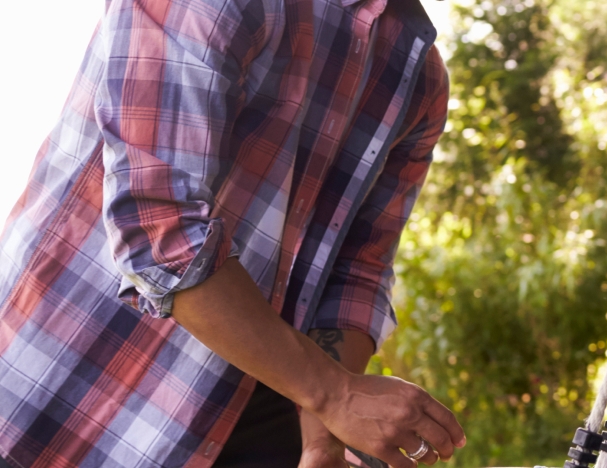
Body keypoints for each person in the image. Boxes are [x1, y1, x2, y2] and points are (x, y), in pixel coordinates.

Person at [0, 0, 464, 466]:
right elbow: (161, 228)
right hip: (54, 394)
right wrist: (334, 394)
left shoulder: (419, 72)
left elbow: (357, 271)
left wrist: (324, 435)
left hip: (254, 411)